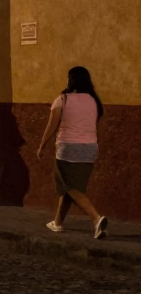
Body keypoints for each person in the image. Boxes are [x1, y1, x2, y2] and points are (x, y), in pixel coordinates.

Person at [38, 66, 108, 239]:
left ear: (71, 80)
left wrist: (42, 145)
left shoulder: (62, 99)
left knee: (69, 186)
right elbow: (100, 127)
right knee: (70, 187)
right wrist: (96, 145)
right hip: (90, 148)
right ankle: (58, 222)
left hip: (68, 148)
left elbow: (51, 126)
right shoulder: (94, 101)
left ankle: (96, 218)